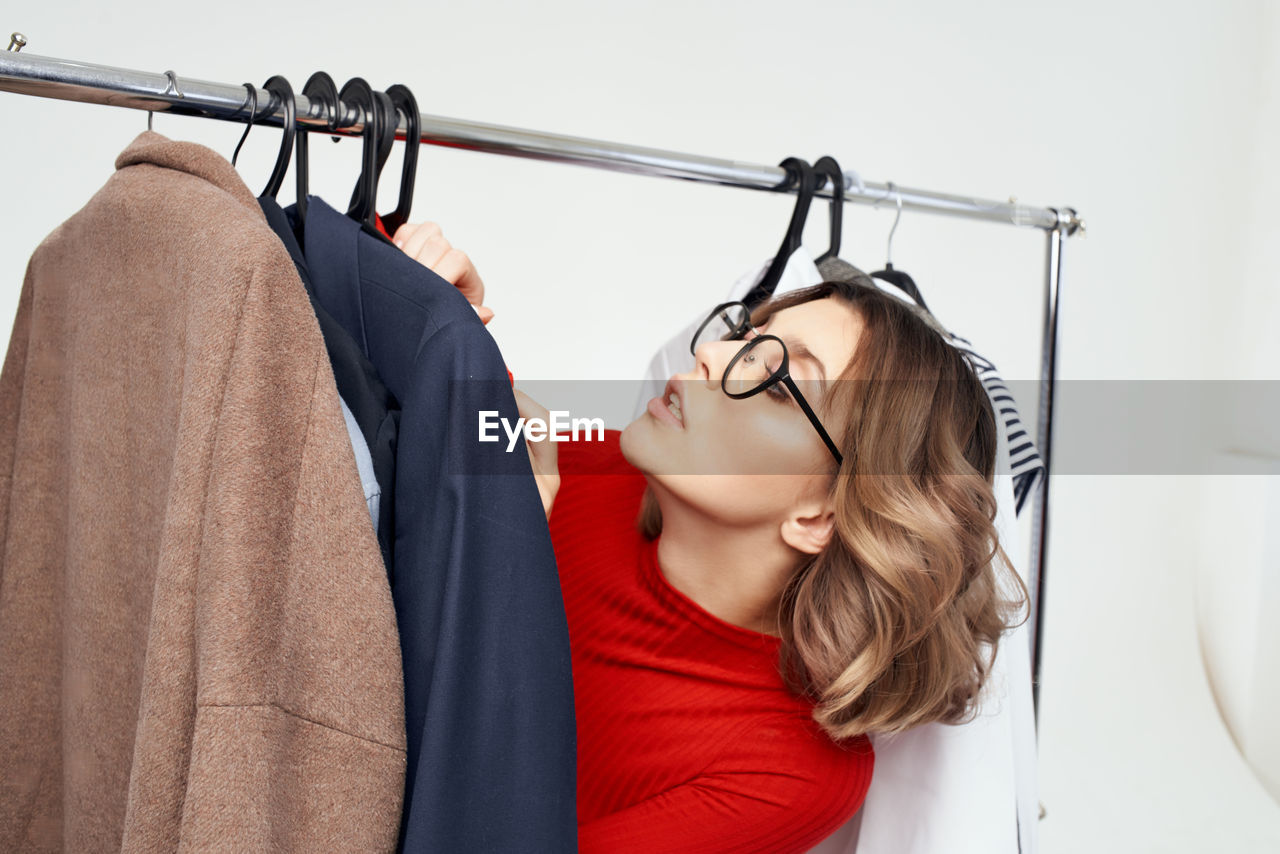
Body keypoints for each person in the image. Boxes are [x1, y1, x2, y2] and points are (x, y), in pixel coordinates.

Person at [391, 222, 1031, 854]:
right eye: (747, 336)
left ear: (820, 518)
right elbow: (437, 441)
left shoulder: (794, 772)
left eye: (777, 382)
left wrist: (505, 564)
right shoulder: (602, 464)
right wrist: (441, 321)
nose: (711, 355)